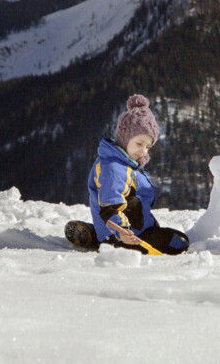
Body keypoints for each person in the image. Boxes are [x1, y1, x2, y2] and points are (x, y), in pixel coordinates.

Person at [64, 94, 189, 255]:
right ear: (125, 137)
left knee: (174, 239)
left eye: (147, 147)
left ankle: (97, 235)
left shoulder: (127, 164)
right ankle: (108, 241)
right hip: (127, 236)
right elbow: (111, 207)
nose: (143, 151)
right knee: (179, 243)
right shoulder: (113, 169)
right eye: (139, 143)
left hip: (134, 229)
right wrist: (122, 232)